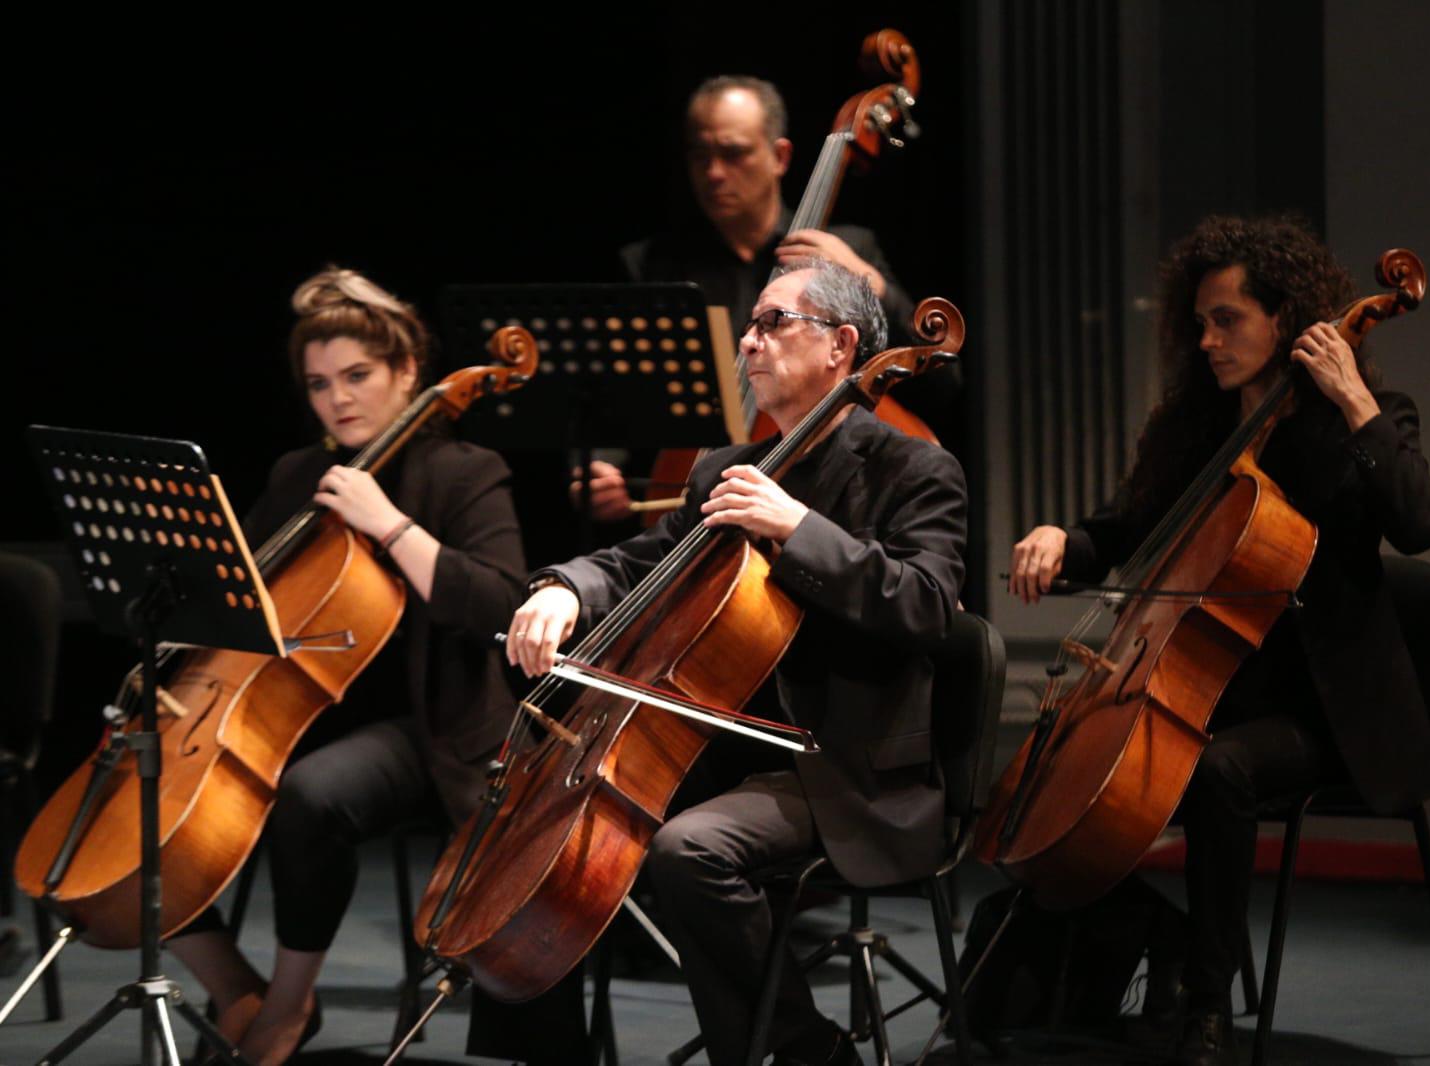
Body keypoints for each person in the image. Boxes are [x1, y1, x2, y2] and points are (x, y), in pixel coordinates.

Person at [1007, 215, 1430, 1066]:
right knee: (1063, 778)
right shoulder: (1198, 429)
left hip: (1322, 707)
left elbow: (1422, 524)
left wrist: (1353, 399)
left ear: (1285, 319)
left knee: (1214, 771)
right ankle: (1159, 934)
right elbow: (1131, 526)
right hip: (1209, 688)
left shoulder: (1368, 419)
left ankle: (1208, 1008)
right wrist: (1064, 539)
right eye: (1199, 322)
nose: (1206, 341)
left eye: (1226, 320)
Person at [505, 258, 967, 1066]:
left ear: (840, 345)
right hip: (723, 747)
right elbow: (645, 559)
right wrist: (564, 589)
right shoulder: (724, 468)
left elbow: (928, 607)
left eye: (772, 322)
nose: (748, 342)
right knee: (542, 814)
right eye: (749, 327)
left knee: (689, 850)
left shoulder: (914, 468)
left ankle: (801, 1053)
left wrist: (798, 528)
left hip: (841, 765)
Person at [164, 267, 532, 1066]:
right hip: (301, 704)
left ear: (407, 371)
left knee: (311, 796)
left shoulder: (463, 471)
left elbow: (501, 603)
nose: (339, 398)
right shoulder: (301, 475)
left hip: (429, 722)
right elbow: (244, 596)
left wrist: (391, 525)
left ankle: (291, 1007)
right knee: (143, 786)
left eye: (358, 376)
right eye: (320, 383)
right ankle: (233, 985)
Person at [583, 74, 956, 524]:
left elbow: (942, 386)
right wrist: (601, 466)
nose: (714, 173)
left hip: (824, 499)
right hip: (685, 495)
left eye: (734, 153)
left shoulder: (850, 249)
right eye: (701, 156)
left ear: (780, 156)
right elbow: (613, 391)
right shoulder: (651, 266)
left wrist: (867, 280)